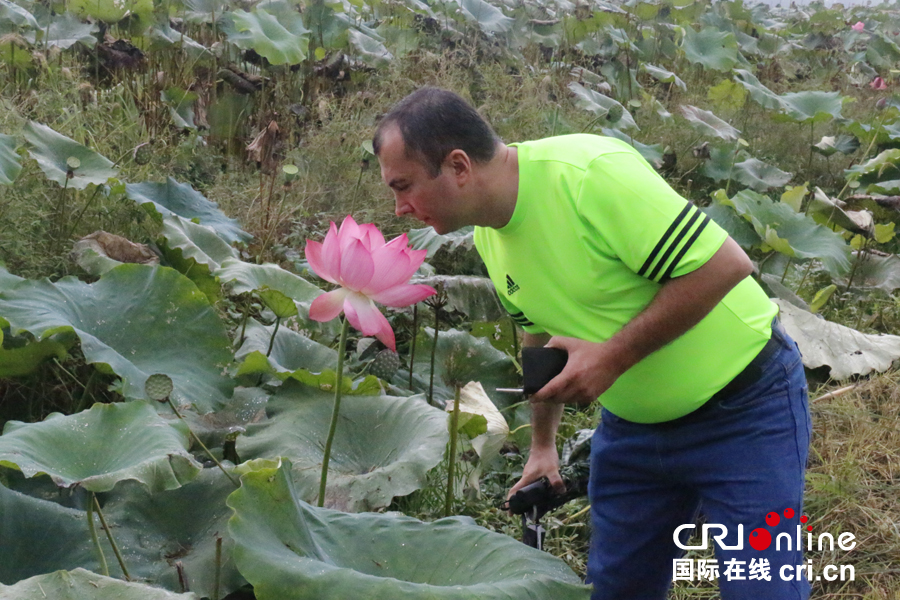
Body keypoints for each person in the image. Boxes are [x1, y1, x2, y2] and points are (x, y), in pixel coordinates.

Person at [373, 86, 811, 600]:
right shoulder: (491, 231)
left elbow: (728, 265)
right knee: (616, 590)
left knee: (763, 590)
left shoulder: (588, 174)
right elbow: (537, 333)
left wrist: (613, 357)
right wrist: (542, 445)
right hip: (635, 432)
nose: (399, 208)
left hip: (744, 411)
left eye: (403, 186)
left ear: (459, 165)